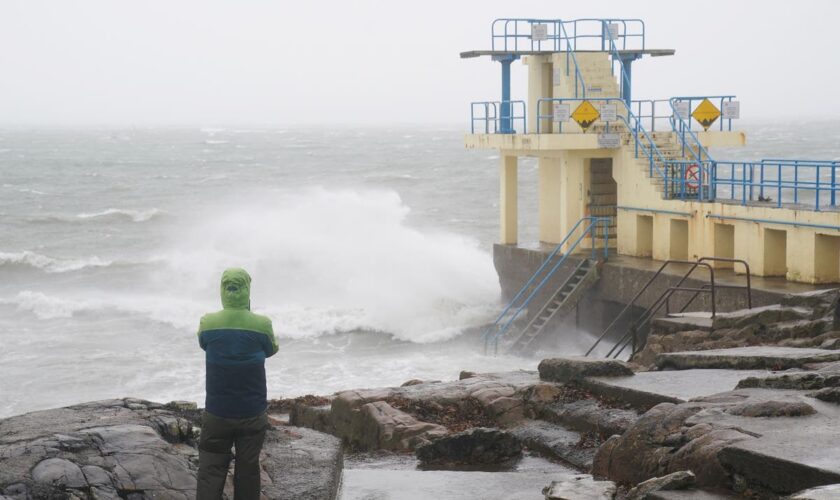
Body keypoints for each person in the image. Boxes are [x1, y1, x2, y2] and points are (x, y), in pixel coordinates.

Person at [196, 268, 279, 499]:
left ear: (223, 290)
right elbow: (272, 349)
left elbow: (204, 343)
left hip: (216, 412)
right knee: (248, 469)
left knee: (210, 468)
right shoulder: (262, 324)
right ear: (247, 290)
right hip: (252, 412)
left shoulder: (208, 322)